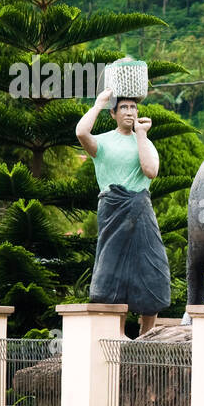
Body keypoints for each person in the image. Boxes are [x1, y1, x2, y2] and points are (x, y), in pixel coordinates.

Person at [75, 79, 171, 334]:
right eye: (124, 107)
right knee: (112, 271)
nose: (130, 111)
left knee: (153, 267)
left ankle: (147, 332)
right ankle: (115, 333)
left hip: (140, 210)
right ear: (114, 114)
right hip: (112, 211)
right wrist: (97, 104)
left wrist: (141, 135)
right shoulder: (102, 142)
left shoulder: (146, 143)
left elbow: (150, 171)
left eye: (133, 107)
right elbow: (81, 132)